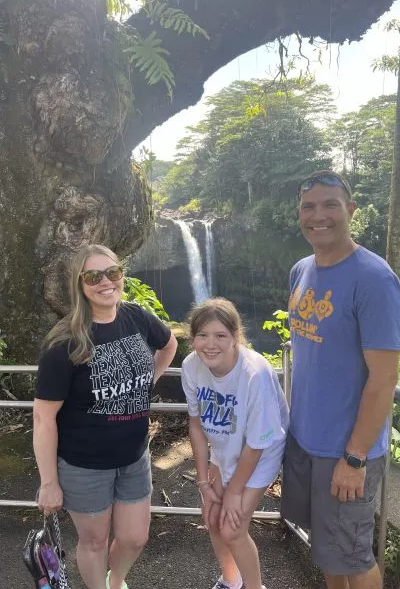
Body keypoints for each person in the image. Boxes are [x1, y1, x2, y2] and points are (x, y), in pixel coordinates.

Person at [281, 171, 400, 589]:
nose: (318, 216)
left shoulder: (374, 279)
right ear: (299, 214)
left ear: (350, 210)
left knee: (353, 556)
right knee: (327, 548)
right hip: (305, 438)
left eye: (330, 204)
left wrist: (354, 459)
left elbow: (383, 379)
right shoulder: (302, 270)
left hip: (348, 449)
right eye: (308, 207)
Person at [33, 244, 178, 589]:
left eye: (113, 272)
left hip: (134, 456)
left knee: (135, 538)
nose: (106, 282)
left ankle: (117, 581)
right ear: (79, 284)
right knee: (94, 542)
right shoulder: (64, 342)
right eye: (93, 276)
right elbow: (43, 419)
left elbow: (170, 344)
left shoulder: (137, 316)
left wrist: (144, 384)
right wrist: (49, 482)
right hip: (85, 465)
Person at [181, 298, 289, 589]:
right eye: (202, 335)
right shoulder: (192, 366)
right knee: (214, 518)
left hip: (261, 452)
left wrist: (234, 492)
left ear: (235, 337)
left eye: (220, 335)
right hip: (224, 445)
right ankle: (230, 581)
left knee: (233, 527)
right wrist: (203, 482)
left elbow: (255, 446)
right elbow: (196, 425)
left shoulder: (255, 374)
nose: (210, 344)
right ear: (192, 339)